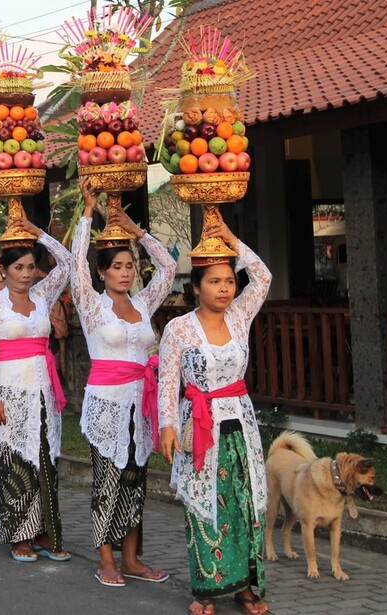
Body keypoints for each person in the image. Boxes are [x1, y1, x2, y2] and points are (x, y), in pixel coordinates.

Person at [158, 211, 272, 615]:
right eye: (215, 281)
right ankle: (206, 589)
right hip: (199, 427)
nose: (225, 289)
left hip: (239, 424)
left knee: (243, 503)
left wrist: (230, 238)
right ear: (196, 287)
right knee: (204, 505)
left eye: (228, 281)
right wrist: (167, 428)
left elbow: (263, 278)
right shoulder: (179, 329)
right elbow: (167, 382)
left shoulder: (239, 316)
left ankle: (245, 588)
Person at [71, 182, 176, 587]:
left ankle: (132, 559)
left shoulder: (142, 303)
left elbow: (167, 268)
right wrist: (87, 213)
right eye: (116, 267)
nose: (125, 272)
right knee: (108, 480)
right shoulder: (91, 304)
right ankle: (106, 559)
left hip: (140, 403)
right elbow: (77, 264)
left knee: (135, 479)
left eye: (129, 266)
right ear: (102, 272)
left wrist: (136, 231)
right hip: (106, 403)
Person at [0, 216, 71, 563]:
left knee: (45, 461)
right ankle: (19, 536)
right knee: (14, 462)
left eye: (31, 266)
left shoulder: (43, 295)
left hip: (43, 391)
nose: (26, 273)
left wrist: (39, 234)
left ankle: (47, 533)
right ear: (3, 270)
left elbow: (67, 263)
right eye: (18, 267)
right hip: (8, 391)